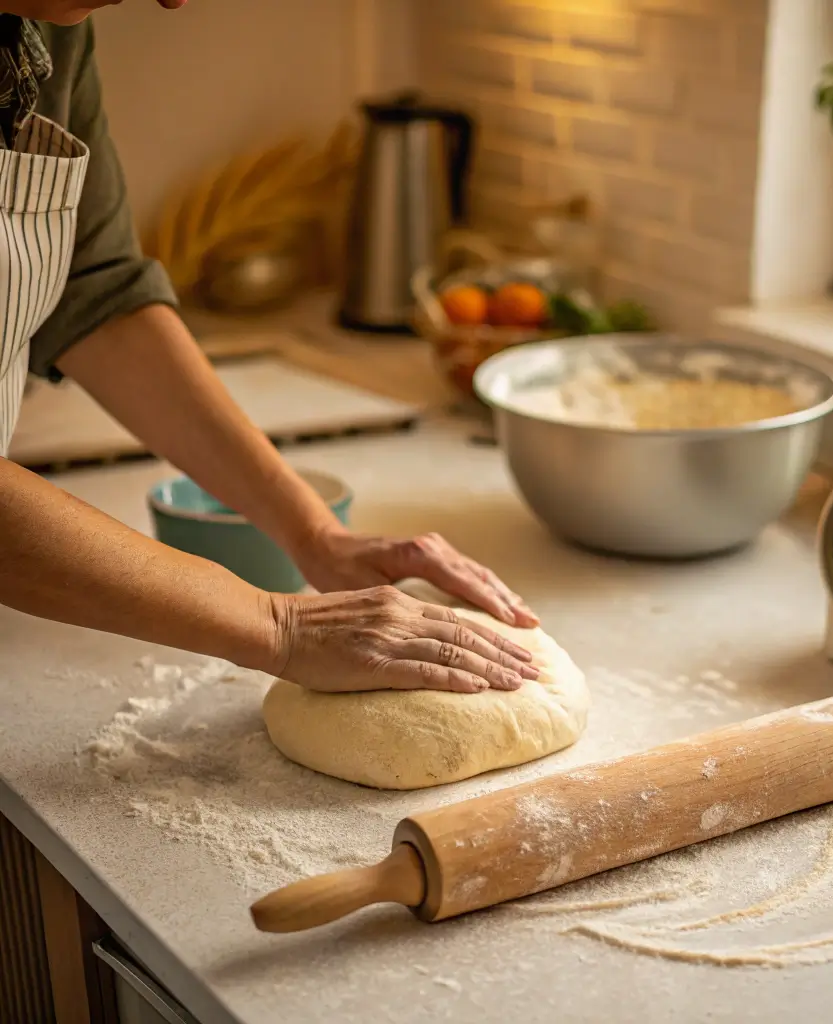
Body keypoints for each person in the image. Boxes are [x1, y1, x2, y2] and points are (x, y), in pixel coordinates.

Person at [0, 1, 541, 695]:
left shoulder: (49, 31)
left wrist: (314, 535)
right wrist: (277, 625)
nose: (173, 0)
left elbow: (96, 290)